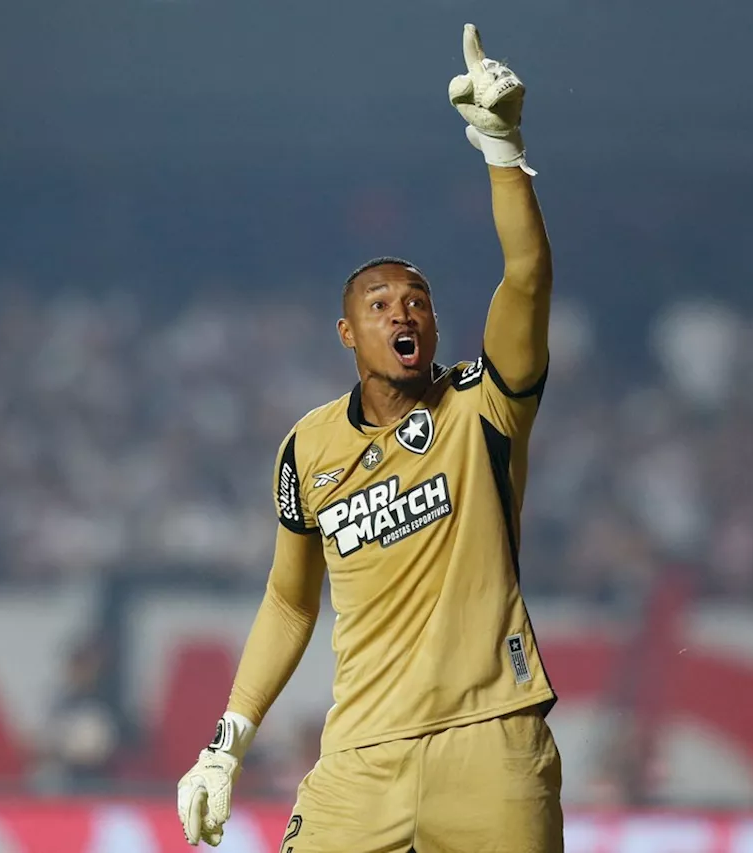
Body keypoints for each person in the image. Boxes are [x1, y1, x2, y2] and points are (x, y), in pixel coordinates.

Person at [177, 24, 562, 852]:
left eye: (417, 299)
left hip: (491, 740)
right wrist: (225, 744)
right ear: (347, 333)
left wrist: (501, 147)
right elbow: (289, 601)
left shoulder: (482, 405)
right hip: (360, 759)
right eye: (381, 303)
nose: (403, 311)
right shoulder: (306, 449)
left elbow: (527, 275)